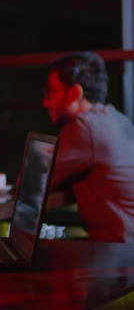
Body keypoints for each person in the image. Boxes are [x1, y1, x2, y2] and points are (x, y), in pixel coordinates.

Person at [42, 51, 134, 243]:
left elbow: (37, 180)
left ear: (75, 93)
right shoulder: (116, 118)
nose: (46, 101)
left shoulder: (84, 127)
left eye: (52, 91)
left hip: (121, 252)